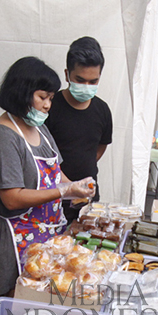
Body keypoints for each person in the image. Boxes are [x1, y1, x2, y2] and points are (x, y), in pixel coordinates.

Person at [0, 57, 95, 296]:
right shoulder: (2, 138)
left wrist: (76, 187)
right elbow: (12, 198)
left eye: (51, 98)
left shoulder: (40, 128)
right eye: (42, 97)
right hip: (17, 237)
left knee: (47, 297)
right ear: (22, 93)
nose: (48, 105)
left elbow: (56, 174)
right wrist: (63, 191)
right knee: (21, 299)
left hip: (47, 233)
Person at [44, 37, 113, 223]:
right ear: (67, 75)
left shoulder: (103, 110)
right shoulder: (50, 108)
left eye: (93, 81)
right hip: (51, 197)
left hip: (89, 198)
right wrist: (68, 185)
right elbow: (42, 159)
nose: (86, 87)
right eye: (80, 80)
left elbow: (99, 148)